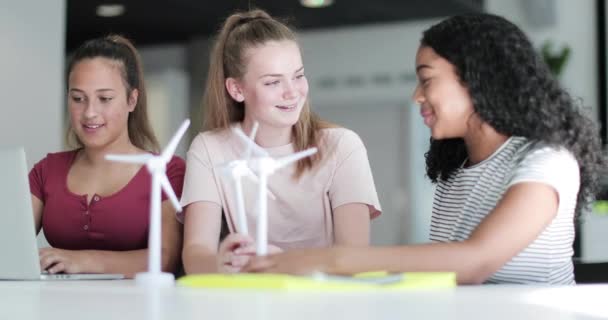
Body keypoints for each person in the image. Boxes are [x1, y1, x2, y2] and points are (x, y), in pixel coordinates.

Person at [244, 13, 606, 284]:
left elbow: (474, 262)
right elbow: (442, 276)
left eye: (427, 80)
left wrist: (328, 260)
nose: (417, 95)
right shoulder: (455, 173)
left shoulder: (547, 161)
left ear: (477, 78)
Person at [180, 9, 381, 274]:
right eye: (273, 82)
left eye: (298, 76)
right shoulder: (209, 149)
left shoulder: (342, 146)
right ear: (237, 89)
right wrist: (219, 263)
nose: (292, 92)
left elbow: (354, 255)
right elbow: (196, 253)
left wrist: (281, 264)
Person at [29, 35, 185, 278]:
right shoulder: (46, 171)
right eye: (78, 98)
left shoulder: (167, 171)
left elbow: (166, 259)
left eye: (105, 99)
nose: (90, 113)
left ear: (132, 100)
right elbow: (10, 248)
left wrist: (83, 260)